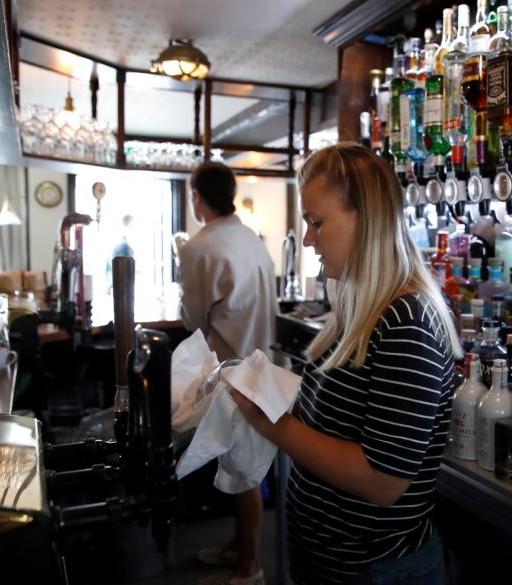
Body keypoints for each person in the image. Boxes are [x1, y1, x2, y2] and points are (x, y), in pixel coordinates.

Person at [230, 143, 461, 585]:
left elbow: (383, 480)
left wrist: (270, 421)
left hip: (376, 568)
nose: (308, 238)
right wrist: (269, 391)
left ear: (366, 219)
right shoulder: (360, 303)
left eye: (317, 222)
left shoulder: (406, 319)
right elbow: (340, 418)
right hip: (335, 561)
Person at [178, 160, 277, 585]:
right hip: (263, 363)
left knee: (244, 472)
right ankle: (240, 548)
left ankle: (249, 569)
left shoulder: (200, 246)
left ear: (198, 198)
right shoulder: (251, 238)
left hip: (235, 367)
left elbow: (193, 321)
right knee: (246, 465)